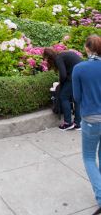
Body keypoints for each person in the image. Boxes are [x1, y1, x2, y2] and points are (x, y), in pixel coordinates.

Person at [72, 35, 101, 215]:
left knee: (89, 157)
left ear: (87, 48)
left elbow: (76, 97)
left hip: (91, 118)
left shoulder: (79, 68)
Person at [43, 47, 82, 130]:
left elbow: (63, 75)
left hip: (73, 77)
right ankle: (78, 123)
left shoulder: (58, 58)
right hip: (81, 76)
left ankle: (68, 123)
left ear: (48, 57)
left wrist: (61, 83)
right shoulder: (62, 55)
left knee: (63, 97)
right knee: (76, 98)